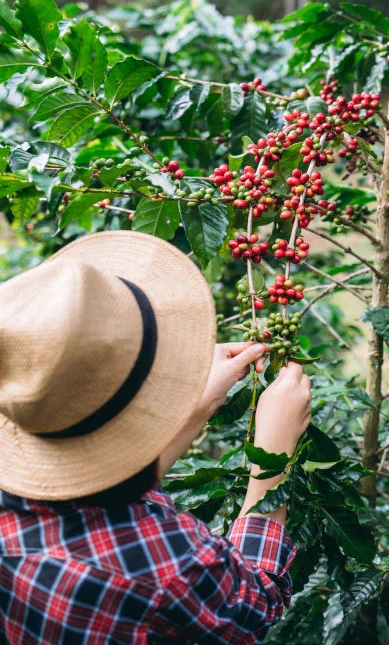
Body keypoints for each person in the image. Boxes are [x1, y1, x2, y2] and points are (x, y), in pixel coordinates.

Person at [0, 230, 312, 644]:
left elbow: (96, 492)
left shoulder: (33, 451)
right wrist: (273, 463)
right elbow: (252, 605)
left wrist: (191, 411)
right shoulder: (157, 564)